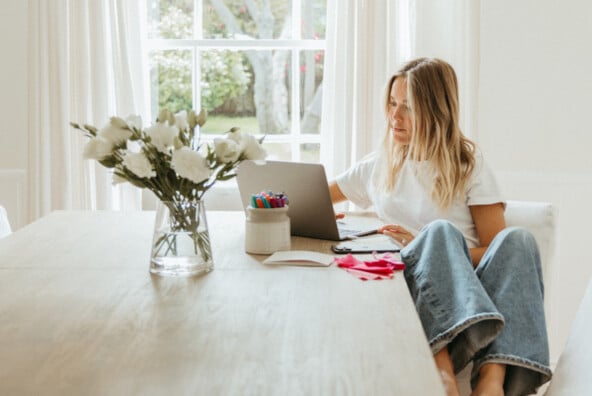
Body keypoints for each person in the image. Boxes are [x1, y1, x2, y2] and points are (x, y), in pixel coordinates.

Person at [329, 58, 551, 396]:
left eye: (408, 108)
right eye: (392, 103)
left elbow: (497, 252)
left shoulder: (468, 165)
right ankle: (442, 374)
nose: (395, 117)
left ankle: (492, 379)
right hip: (412, 291)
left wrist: (428, 243)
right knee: (440, 233)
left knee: (515, 240)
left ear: (436, 111)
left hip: (472, 300)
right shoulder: (380, 165)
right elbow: (317, 198)